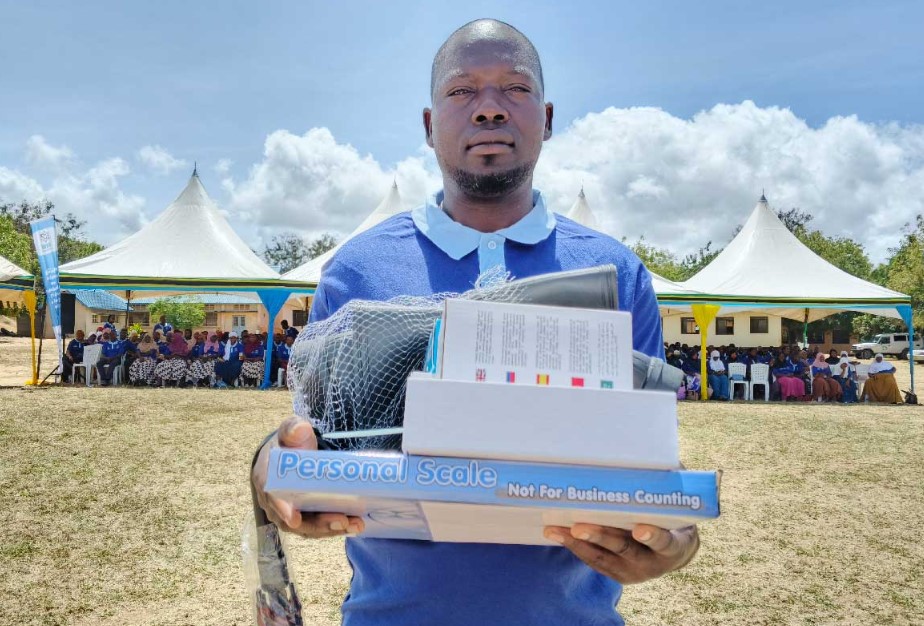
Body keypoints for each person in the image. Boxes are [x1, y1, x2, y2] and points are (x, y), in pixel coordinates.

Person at [251, 20, 697, 626]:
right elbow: (311, 441)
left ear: (546, 117)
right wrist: (273, 470)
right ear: (431, 126)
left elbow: (655, 482)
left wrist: (672, 546)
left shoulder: (616, 274)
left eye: (514, 88)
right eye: (463, 92)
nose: (489, 109)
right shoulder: (355, 271)